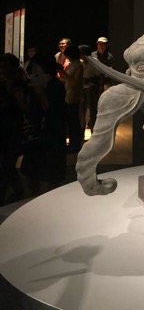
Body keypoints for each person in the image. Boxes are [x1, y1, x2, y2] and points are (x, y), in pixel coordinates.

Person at [24, 53, 67, 192]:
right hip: (37, 134)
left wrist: (39, 92)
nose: (34, 71)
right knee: (32, 172)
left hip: (52, 134)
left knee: (50, 174)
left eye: (38, 68)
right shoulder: (35, 84)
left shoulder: (56, 85)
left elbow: (52, 110)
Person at [0, 53, 28, 203]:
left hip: (14, 129)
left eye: (5, 66)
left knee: (7, 163)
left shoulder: (19, 85)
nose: (2, 69)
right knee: (5, 164)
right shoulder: (4, 84)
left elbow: (24, 107)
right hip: (4, 129)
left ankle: (17, 191)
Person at [57, 44, 84, 152]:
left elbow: (75, 82)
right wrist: (60, 72)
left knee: (73, 121)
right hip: (68, 94)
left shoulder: (78, 65)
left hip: (74, 96)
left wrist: (62, 72)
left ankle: (76, 144)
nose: (66, 57)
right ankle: (73, 143)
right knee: (71, 121)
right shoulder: (72, 64)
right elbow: (66, 80)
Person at [79, 44, 101, 131]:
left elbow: (100, 74)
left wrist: (99, 88)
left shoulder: (94, 61)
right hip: (82, 87)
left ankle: (94, 130)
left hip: (91, 87)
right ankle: (81, 130)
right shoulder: (80, 62)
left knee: (92, 109)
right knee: (82, 109)